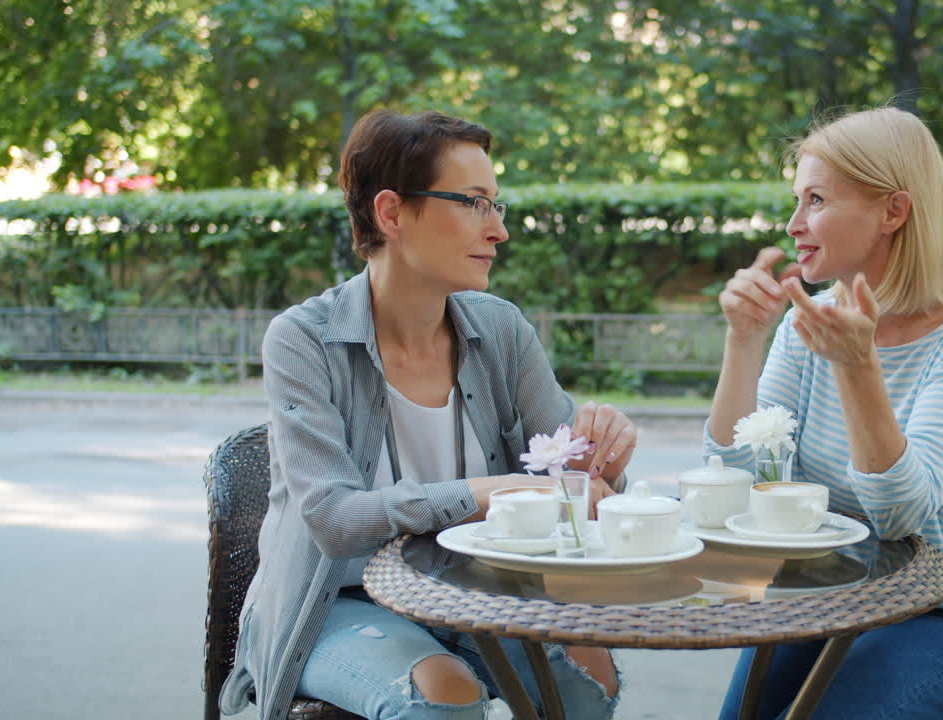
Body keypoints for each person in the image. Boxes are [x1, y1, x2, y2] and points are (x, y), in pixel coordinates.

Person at [219, 109, 634, 720]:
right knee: (443, 694)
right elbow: (335, 520)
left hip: (474, 592)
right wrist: (483, 493)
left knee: (588, 676)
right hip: (337, 599)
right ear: (390, 214)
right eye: (473, 203)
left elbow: (570, 479)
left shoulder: (502, 330)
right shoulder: (303, 340)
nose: (498, 231)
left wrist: (605, 462)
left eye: (497, 206)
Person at [705, 106, 943, 719]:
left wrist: (858, 367)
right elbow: (740, 480)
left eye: (817, 199)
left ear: (893, 212)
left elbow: (900, 512)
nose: (795, 223)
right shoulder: (809, 324)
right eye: (797, 200)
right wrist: (743, 341)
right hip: (831, 596)